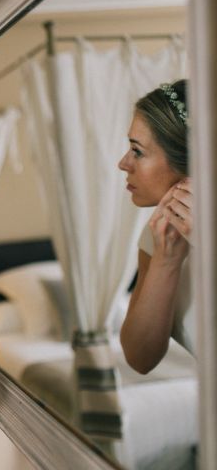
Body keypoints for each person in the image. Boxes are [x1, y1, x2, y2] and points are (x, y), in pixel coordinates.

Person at [118, 79, 193, 375]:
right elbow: (140, 358)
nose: (123, 163)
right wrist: (167, 261)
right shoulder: (158, 234)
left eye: (137, 151)